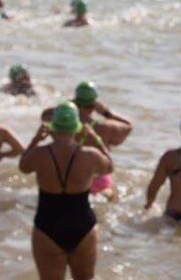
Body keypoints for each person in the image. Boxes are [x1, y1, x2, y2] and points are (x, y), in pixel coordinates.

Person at [20, 102, 112, 280]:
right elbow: (109, 168)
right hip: (83, 226)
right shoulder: (90, 154)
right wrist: (95, 139)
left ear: (52, 128)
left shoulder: (40, 154)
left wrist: (36, 139)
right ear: (77, 129)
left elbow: (23, 166)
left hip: (47, 226)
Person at [41, 81, 132, 200]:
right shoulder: (104, 127)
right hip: (98, 179)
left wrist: (67, 106)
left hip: (70, 177)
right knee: (107, 195)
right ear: (94, 104)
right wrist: (106, 113)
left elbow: (44, 115)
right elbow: (128, 126)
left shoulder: (63, 126)